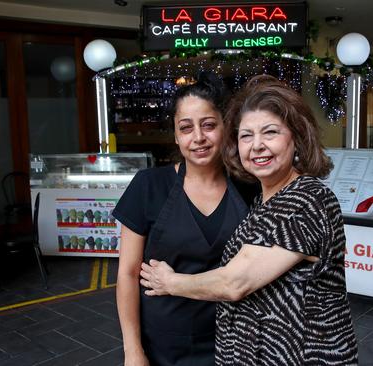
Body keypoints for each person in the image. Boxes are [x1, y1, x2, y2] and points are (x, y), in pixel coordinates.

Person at [140, 75, 358, 365]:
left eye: (270, 133)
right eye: (246, 136)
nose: (257, 146)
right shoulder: (260, 200)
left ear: (296, 137)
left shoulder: (308, 198)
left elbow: (235, 283)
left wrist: (170, 282)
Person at [113, 72, 250, 366]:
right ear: (176, 135)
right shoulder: (148, 185)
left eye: (209, 125)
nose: (198, 137)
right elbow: (127, 274)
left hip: (237, 339)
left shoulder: (249, 186)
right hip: (164, 343)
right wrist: (133, 351)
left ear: (225, 128)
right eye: (186, 128)